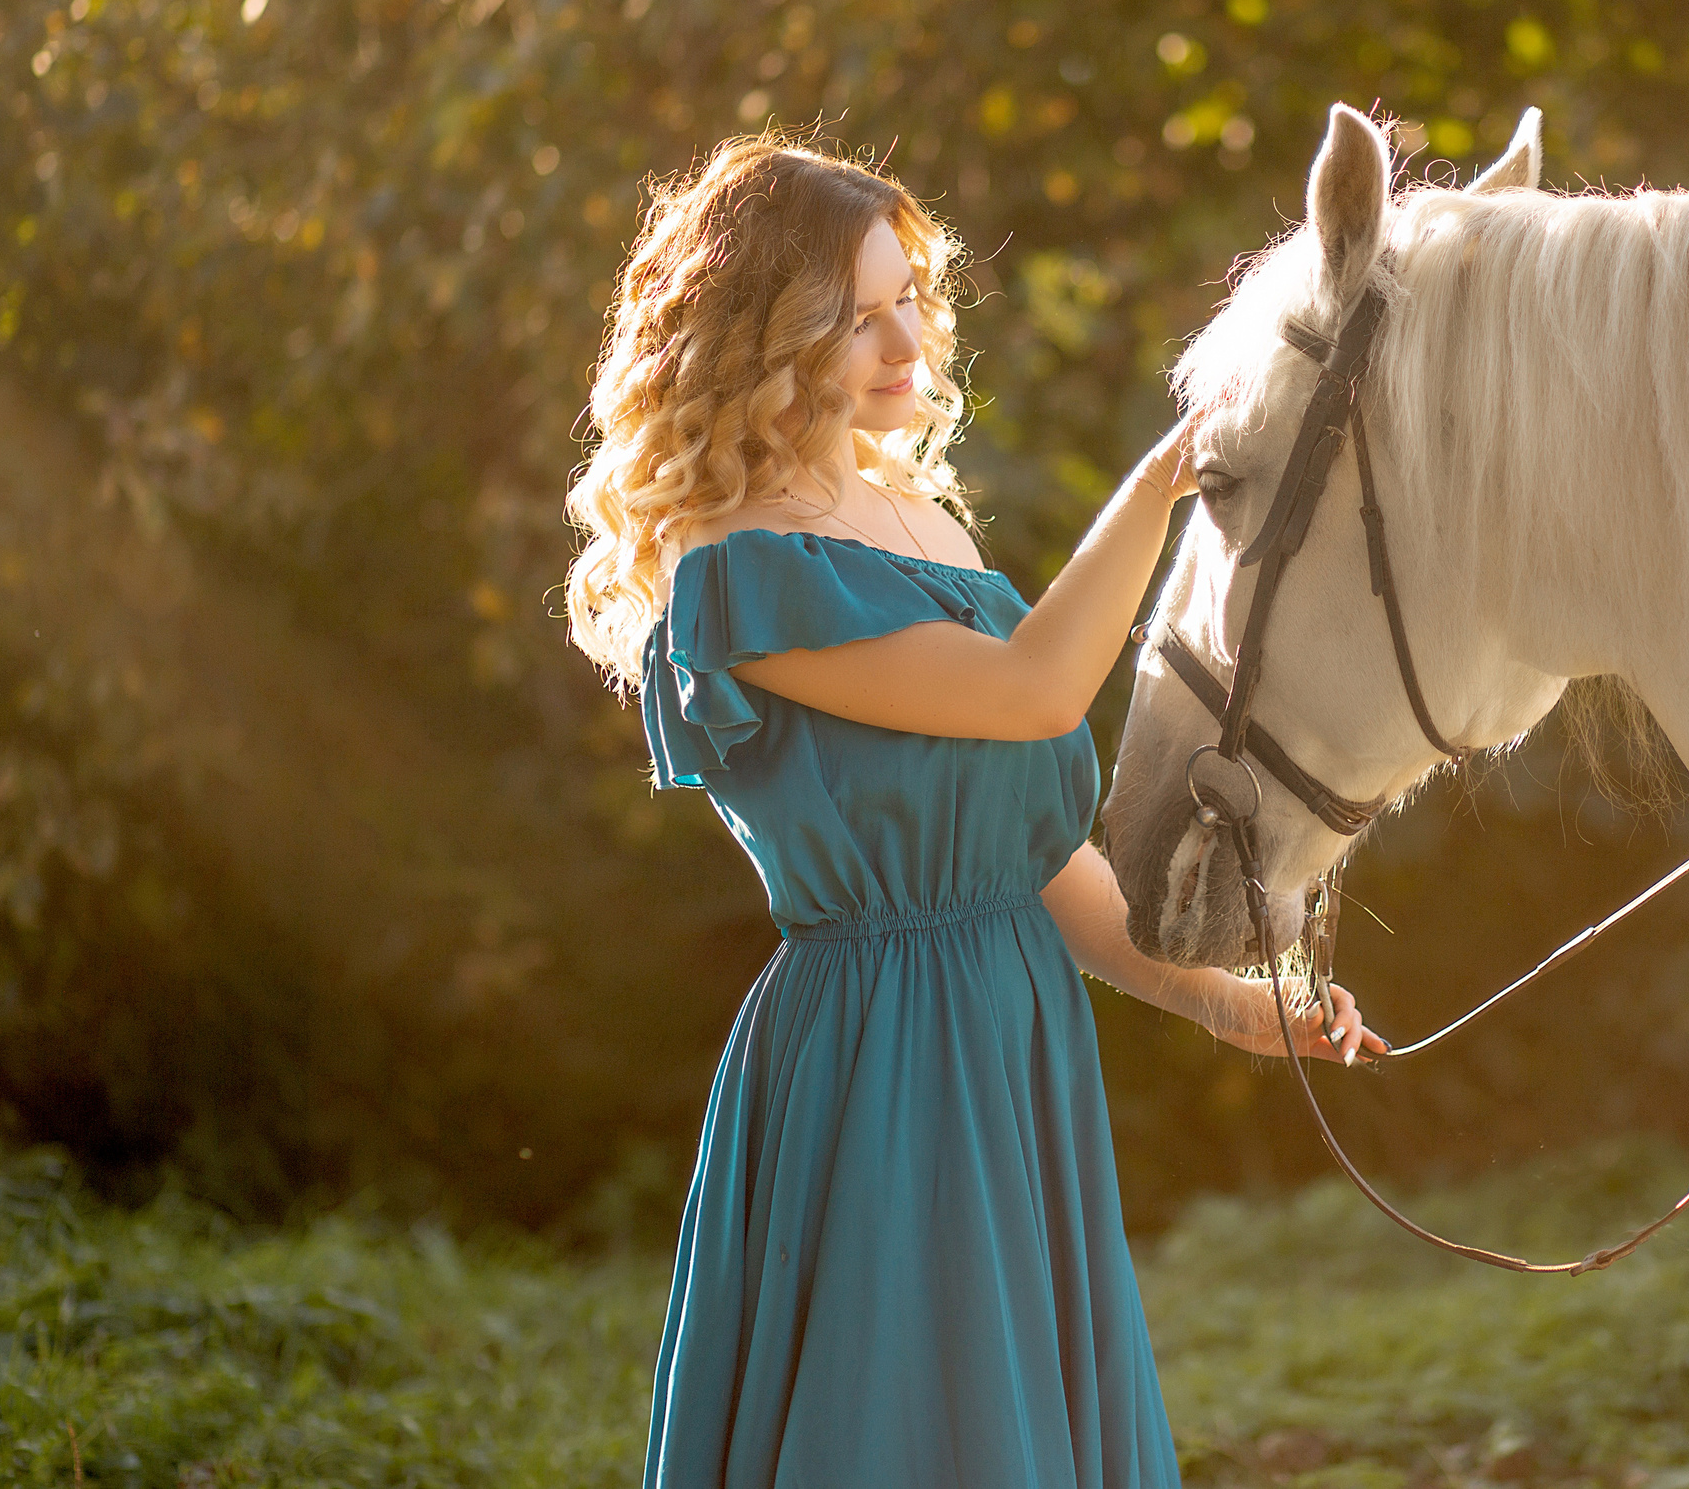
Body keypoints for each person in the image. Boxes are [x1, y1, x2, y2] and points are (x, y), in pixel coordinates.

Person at [563, 133, 1384, 1489]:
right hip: (882, 1060)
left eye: (909, 301)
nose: (905, 342)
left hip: (1011, 1029)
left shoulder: (920, 526)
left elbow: (1028, 853)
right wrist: (1174, 466)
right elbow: (1035, 693)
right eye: (854, 316)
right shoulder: (741, 570)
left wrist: (1222, 995)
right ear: (760, 336)